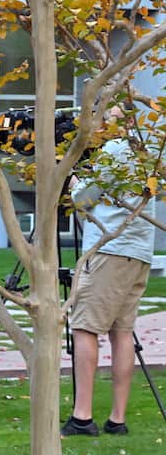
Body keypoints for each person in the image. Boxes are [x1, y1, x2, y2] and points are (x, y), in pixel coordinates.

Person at [62, 136, 158, 437]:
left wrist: (70, 175)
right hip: (139, 252)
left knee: (85, 328)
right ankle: (117, 419)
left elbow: (82, 200)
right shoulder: (148, 146)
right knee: (122, 331)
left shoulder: (114, 150)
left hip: (109, 250)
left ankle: (82, 417)